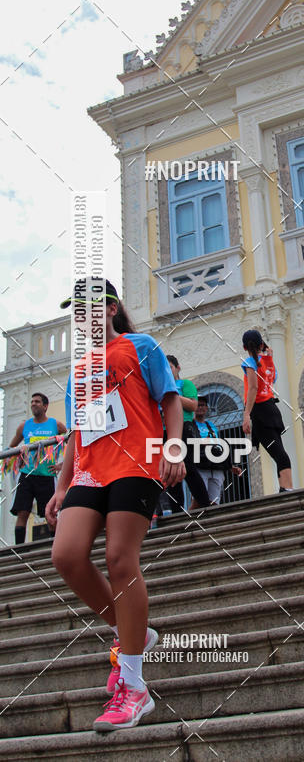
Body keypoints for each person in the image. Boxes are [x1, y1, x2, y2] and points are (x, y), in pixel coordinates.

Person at [46, 278, 185, 732]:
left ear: (109, 308)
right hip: (90, 469)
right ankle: (135, 633)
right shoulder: (77, 372)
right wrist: (62, 486)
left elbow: (170, 401)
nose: (83, 318)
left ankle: (133, 685)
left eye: (89, 308)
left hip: (137, 463)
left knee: (120, 558)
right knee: (66, 555)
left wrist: (174, 448)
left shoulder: (140, 346)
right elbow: (77, 434)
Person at [154, 356, 210, 517]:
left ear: (178, 368)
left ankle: (205, 503)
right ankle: (176, 510)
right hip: (164, 431)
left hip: (183, 428)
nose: (167, 370)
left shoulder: (185, 385)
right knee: (170, 471)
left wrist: (172, 396)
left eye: (170, 367)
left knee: (188, 467)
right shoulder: (158, 388)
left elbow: (193, 405)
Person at [9, 393, 67, 544]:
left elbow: (72, 441)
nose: (33, 404)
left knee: (50, 513)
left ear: (45, 406)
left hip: (47, 475)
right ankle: (19, 551)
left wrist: (61, 465)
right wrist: (18, 459)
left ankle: (54, 545)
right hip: (27, 475)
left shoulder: (56, 425)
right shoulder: (24, 426)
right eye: (32, 401)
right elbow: (11, 448)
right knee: (22, 512)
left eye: (37, 402)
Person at [241, 329, 293, 493]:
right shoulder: (269, 362)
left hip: (260, 412)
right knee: (278, 452)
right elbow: (274, 378)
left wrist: (246, 414)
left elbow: (253, 388)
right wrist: (268, 354)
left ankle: (288, 488)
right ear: (261, 344)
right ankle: (284, 487)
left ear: (244, 347)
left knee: (279, 453)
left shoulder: (250, 362)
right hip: (272, 410)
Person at [193, 395, 242, 505]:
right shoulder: (189, 425)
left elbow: (218, 447)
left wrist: (230, 466)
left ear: (206, 408)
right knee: (199, 500)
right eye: (197, 405)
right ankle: (188, 521)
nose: (200, 407)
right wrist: (201, 443)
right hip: (199, 467)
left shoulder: (211, 425)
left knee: (214, 502)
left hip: (216, 467)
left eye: (203, 405)